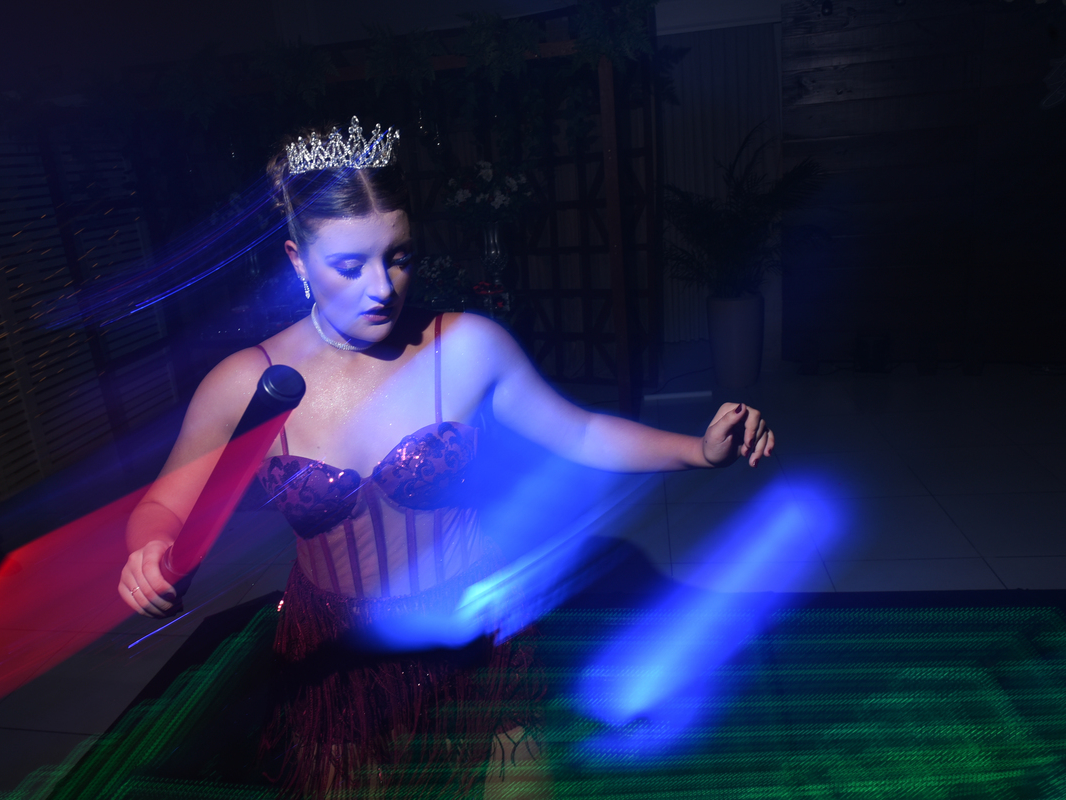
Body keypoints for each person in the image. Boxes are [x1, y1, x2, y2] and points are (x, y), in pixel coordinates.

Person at [118, 117, 774, 798]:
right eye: (350, 266)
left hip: (472, 629)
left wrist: (699, 452)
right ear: (297, 260)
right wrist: (151, 550)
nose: (382, 287)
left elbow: (580, 434)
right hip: (335, 650)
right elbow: (164, 503)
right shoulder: (243, 383)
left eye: (398, 256)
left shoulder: (465, 346)